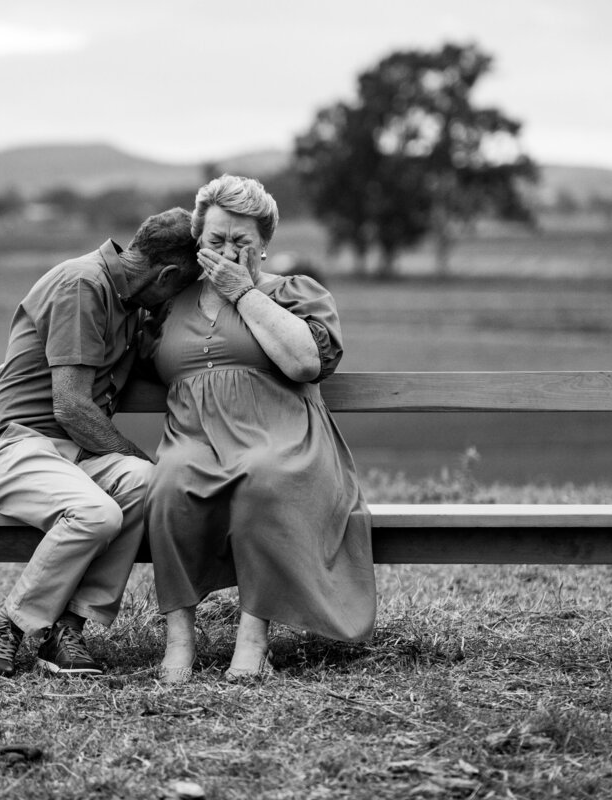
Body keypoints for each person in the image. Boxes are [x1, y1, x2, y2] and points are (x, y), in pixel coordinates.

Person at [145, 175, 376, 683]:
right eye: (215, 241)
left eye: (241, 242)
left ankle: (253, 640)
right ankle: (178, 639)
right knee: (165, 483)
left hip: (282, 439)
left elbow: (303, 363)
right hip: (194, 439)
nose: (227, 251)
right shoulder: (168, 304)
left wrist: (242, 293)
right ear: (197, 243)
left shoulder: (293, 293)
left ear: (264, 247)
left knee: (263, 476)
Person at [0, 207, 200, 679]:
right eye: (182, 290)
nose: (178, 302)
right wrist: (131, 450)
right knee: (98, 512)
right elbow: (70, 407)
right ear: (169, 273)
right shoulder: (83, 284)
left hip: (68, 459)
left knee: (144, 481)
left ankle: (66, 632)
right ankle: (5, 628)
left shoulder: (128, 303)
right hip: (14, 449)